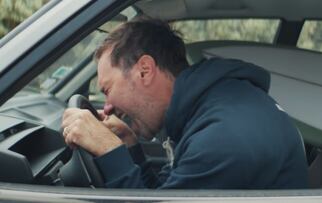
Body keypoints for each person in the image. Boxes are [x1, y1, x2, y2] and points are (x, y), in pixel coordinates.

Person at [61, 18, 308, 189]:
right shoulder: (206, 109)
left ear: (145, 71)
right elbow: (168, 193)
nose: (107, 107)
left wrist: (109, 152)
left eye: (108, 89)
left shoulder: (222, 136)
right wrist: (130, 151)